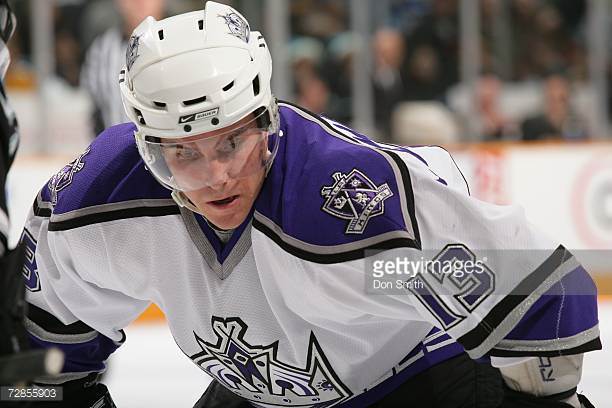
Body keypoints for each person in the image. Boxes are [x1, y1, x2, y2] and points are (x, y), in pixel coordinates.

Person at [18, 2, 599, 407]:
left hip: (418, 381)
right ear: (147, 148)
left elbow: (541, 289)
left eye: (232, 142)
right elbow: (40, 351)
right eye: (182, 156)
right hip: (261, 395)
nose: (217, 177)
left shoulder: (345, 211)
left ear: (267, 120)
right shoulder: (97, 202)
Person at [80, 0, 166, 136]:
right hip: (121, 151)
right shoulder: (102, 49)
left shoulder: (180, 41)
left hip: (170, 150)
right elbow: (94, 108)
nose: (140, 2)